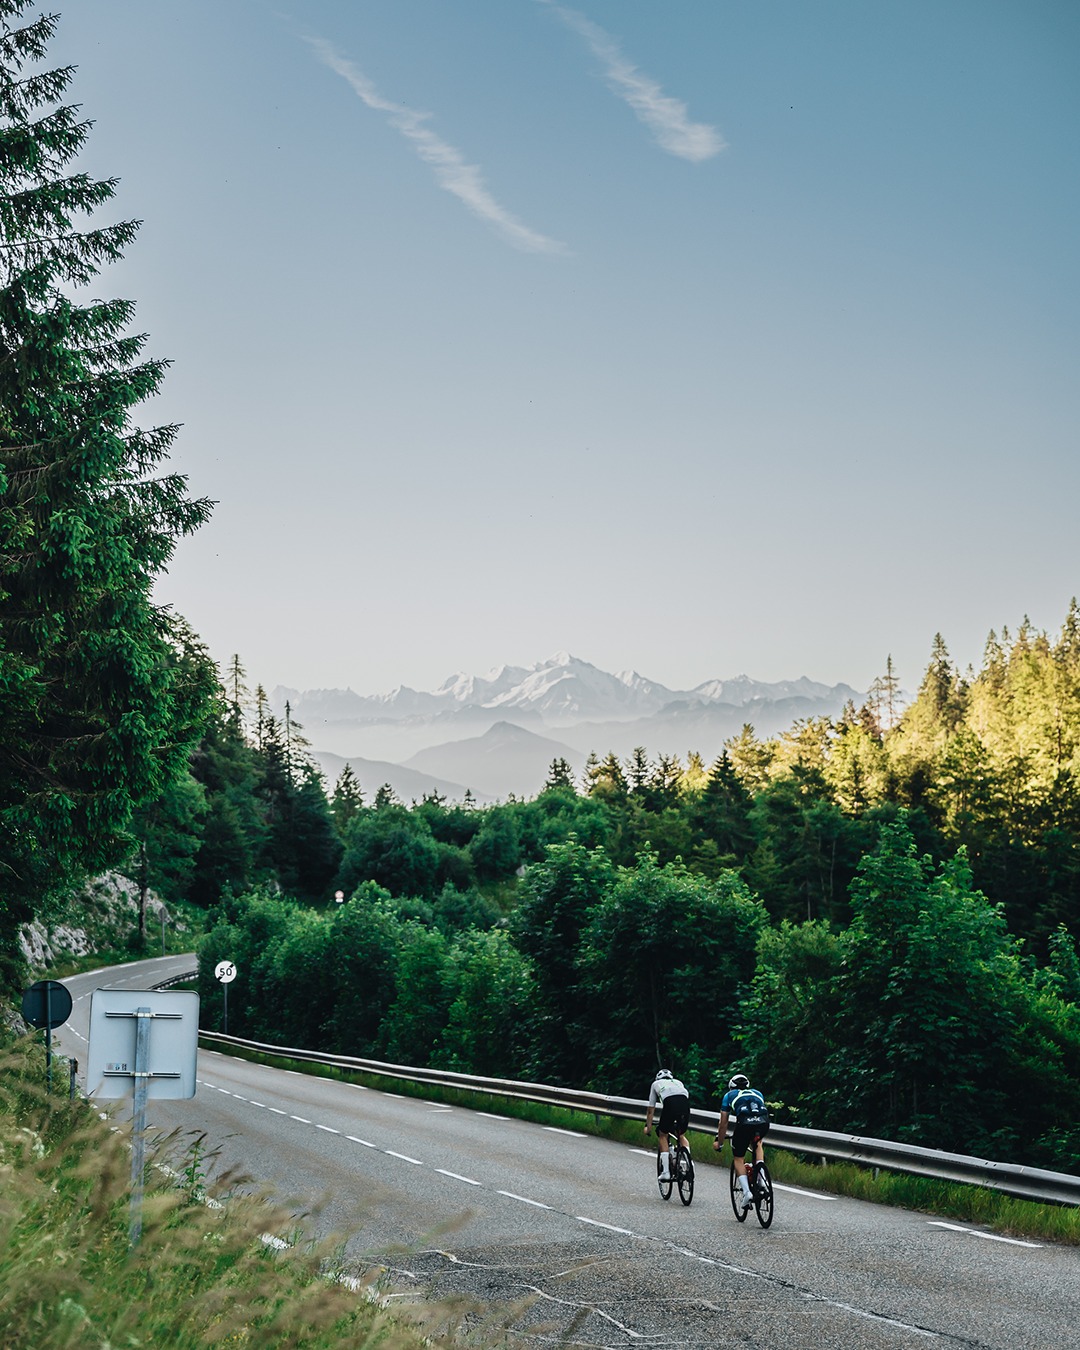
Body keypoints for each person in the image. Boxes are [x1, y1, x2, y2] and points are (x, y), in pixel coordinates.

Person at [713, 1072, 770, 1212]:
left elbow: (723, 1123)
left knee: (738, 1158)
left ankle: (747, 1193)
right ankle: (762, 1181)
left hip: (744, 1124)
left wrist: (719, 1142)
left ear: (731, 1087)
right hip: (763, 1123)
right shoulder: (757, 1093)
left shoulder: (729, 1096)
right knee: (758, 1144)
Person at [644, 1067, 691, 1180]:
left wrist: (648, 1128)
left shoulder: (656, 1084)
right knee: (681, 1135)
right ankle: (690, 1163)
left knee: (663, 1134)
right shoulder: (678, 1082)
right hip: (685, 1104)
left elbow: (651, 1109)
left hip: (670, 1104)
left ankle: (666, 1172)